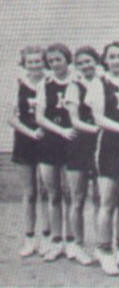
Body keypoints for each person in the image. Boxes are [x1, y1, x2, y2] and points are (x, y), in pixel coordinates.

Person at [86, 41, 119, 275]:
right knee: (107, 201)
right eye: (112, 57)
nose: (117, 60)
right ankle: (104, 251)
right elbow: (98, 118)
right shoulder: (99, 84)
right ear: (105, 60)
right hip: (109, 145)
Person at [35, 43, 77, 262]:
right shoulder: (46, 83)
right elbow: (39, 117)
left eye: (58, 60)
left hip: (72, 142)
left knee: (70, 192)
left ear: (67, 59)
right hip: (52, 140)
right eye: (50, 61)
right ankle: (55, 239)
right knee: (53, 193)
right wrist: (61, 130)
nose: (54, 65)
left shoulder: (77, 80)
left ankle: (71, 240)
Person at [8, 45, 51, 258]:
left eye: (39, 61)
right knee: (30, 192)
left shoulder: (50, 82)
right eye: (30, 62)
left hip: (47, 141)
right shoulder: (18, 85)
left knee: (46, 190)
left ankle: (47, 237)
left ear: (44, 62)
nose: (35, 65)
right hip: (26, 141)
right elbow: (11, 118)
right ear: (24, 64)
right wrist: (31, 133)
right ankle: (29, 238)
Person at [63, 46, 102, 266]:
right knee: (77, 198)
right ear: (77, 67)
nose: (87, 66)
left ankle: (100, 245)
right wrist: (99, 128)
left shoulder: (104, 83)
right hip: (79, 145)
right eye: (81, 63)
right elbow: (75, 121)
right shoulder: (74, 87)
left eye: (90, 61)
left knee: (100, 198)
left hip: (101, 146)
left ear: (97, 62)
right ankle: (77, 244)